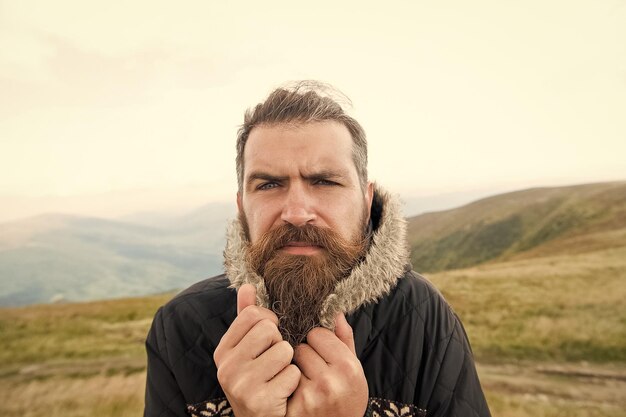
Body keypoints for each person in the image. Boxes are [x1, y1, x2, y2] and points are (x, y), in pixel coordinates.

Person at [143, 81, 491, 417]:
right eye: (269, 184)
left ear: (366, 200)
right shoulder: (180, 328)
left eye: (324, 181)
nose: (296, 212)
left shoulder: (424, 318)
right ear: (241, 207)